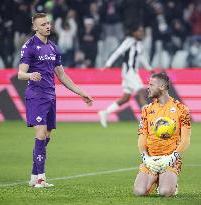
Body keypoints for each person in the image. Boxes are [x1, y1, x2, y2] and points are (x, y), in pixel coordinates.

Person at [18, 13, 93, 188]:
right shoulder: (29, 46)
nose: (47, 26)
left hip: (50, 96)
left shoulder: (53, 48)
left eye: (48, 23)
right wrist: (30, 74)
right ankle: (41, 179)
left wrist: (81, 92)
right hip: (36, 95)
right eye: (43, 24)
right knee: (41, 133)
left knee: (47, 136)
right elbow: (20, 73)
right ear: (35, 27)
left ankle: (34, 175)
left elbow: (62, 75)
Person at [133, 72, 191, 197]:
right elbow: (142, 137)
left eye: (151, 85)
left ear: (162, 87)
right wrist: (146, 158)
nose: (147, 87)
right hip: (151, 160)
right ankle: (157, 178)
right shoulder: (146, 110)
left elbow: (185, 139)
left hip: (170, 159)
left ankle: (168, 183)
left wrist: (173, 157)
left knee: (165, 192)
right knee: (139, 192)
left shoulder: (182, 109)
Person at [98, 25, 153, 128]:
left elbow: (141, 58)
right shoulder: (129, 41)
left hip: (133, 73)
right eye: (139, 31)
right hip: (129, 72)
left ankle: (104, 112)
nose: (141, 33)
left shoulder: (139, 44)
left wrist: (149, 68)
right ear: (134, 33)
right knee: (141, 91)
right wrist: (108, 64)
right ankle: (145, 121)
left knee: (125, 98)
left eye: (142, 31)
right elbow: (118, 52)